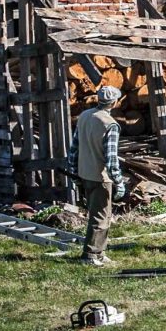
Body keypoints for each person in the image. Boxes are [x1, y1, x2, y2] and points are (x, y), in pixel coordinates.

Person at [67, 86, 125, 266]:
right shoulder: (110, 124)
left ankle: (100, 252)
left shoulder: (85, 116)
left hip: (85, 172)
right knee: (101, 217)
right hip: (101, 177)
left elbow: (74, 148)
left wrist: (74, 172)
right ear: (114, 102)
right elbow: (111, 159)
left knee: (98, 214)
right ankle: (90, 255)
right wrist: (119, 182)